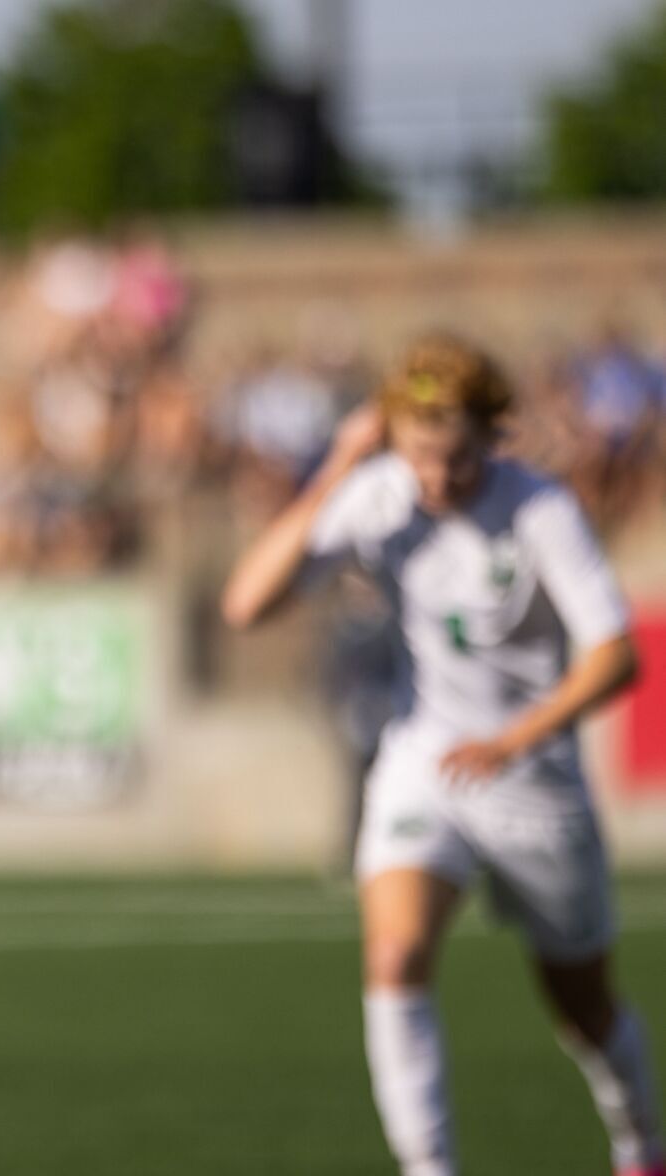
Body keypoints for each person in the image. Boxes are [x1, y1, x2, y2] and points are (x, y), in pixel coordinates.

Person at [221, 333, 664, 1176]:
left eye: (454, 459)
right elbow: (246, 603)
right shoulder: (378, 494)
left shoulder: (538, 509)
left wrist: (514, 738)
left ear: (492, 436)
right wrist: (336, 469)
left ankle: (640, 1145)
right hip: (424, 761)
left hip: (532, 778)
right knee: (393, 957)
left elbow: (616, 654)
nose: (434, 479)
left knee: (583, 1008)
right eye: (417, 455)